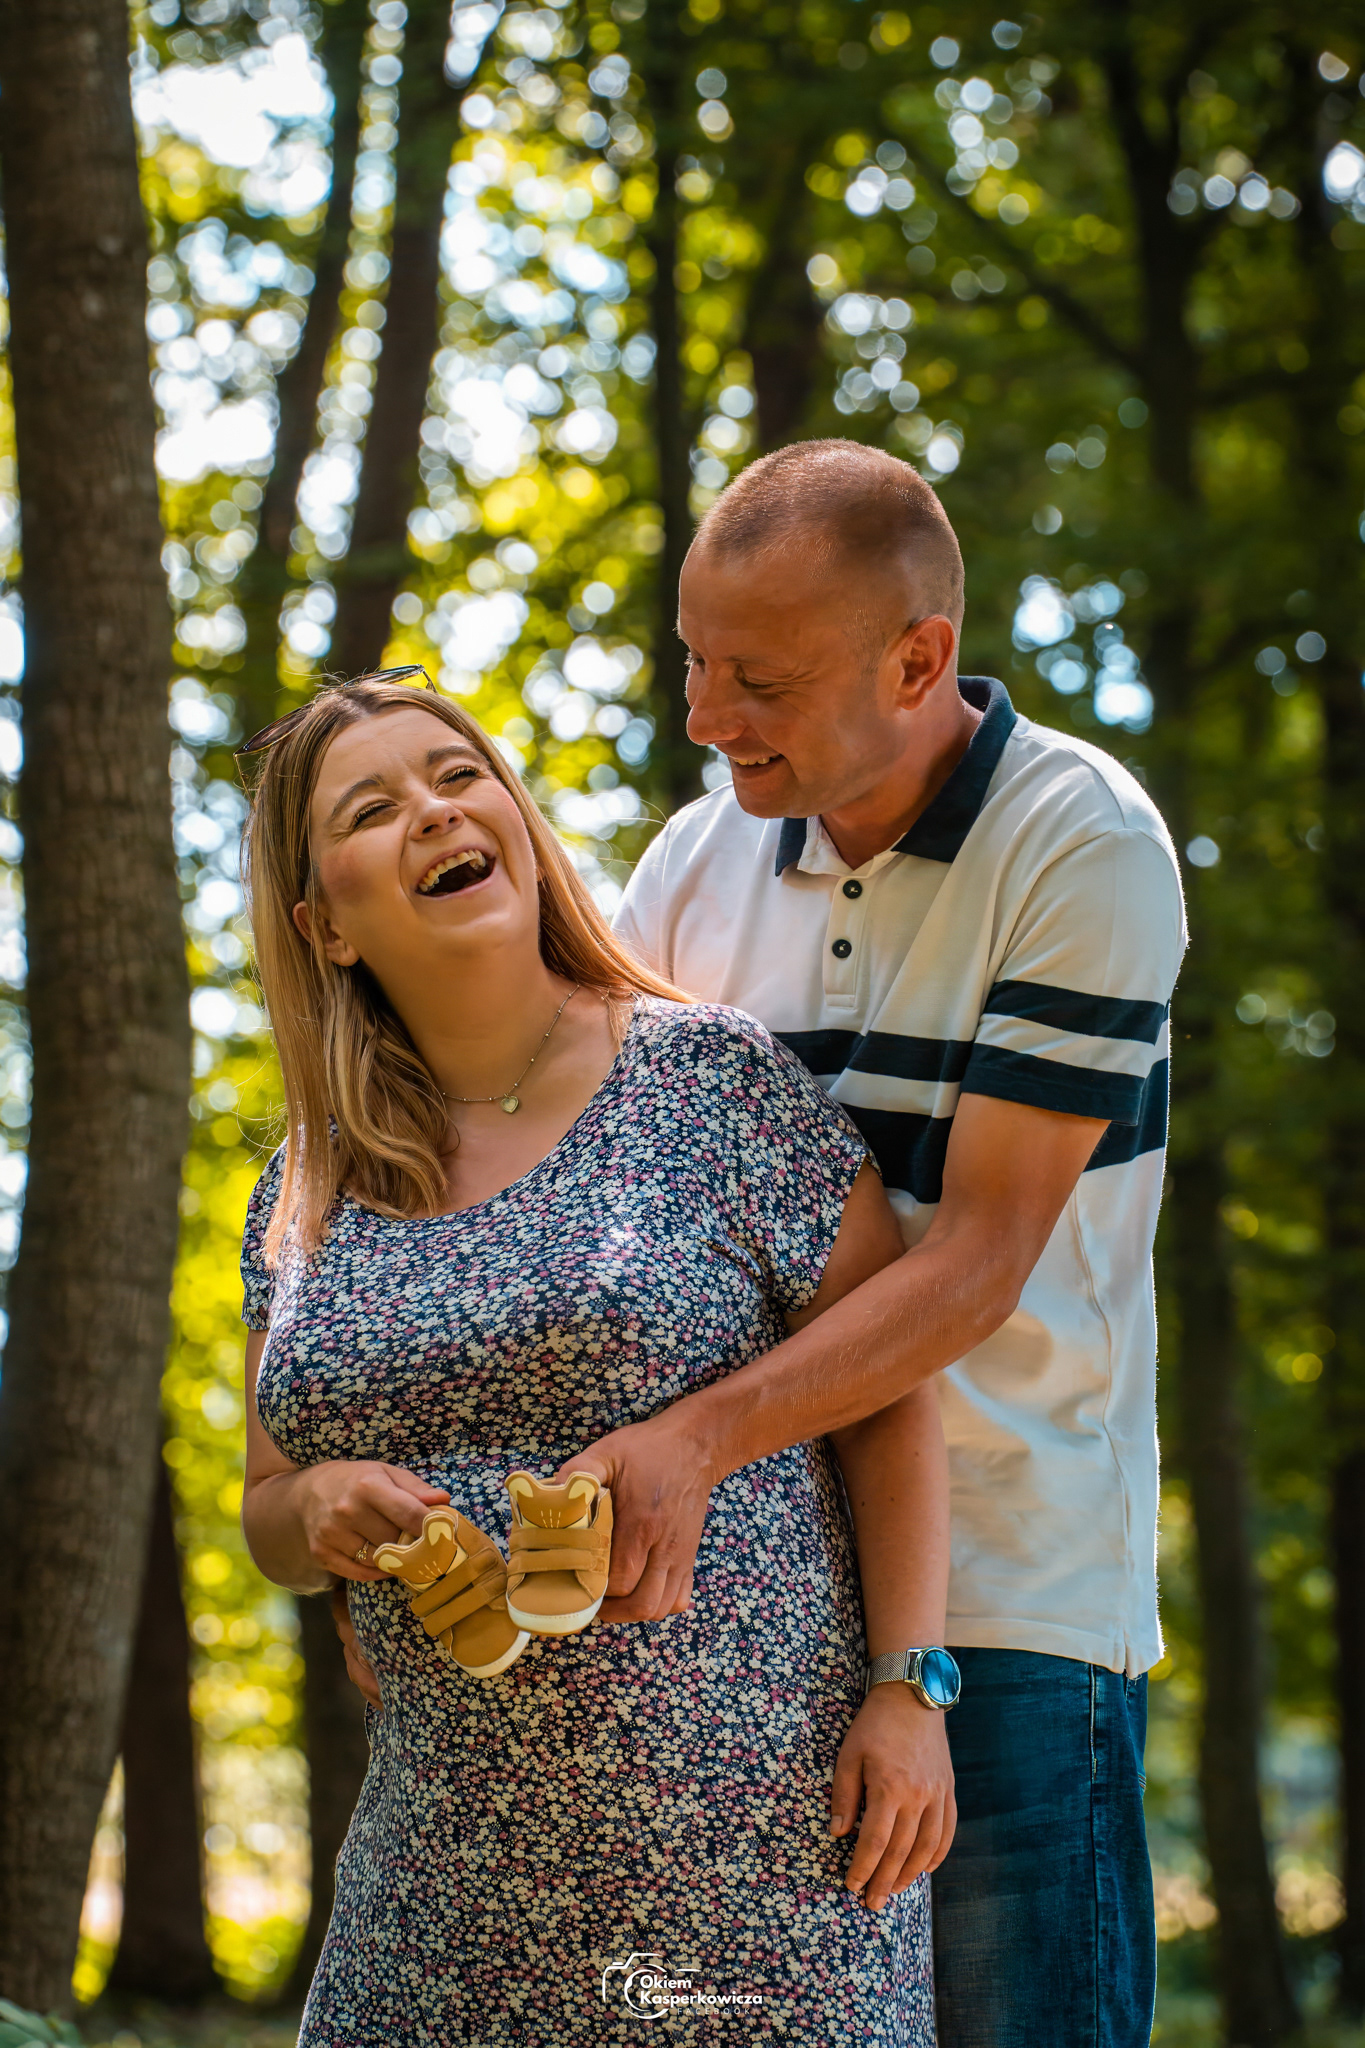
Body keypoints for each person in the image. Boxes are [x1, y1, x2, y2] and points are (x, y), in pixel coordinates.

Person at [235, 673, 956, 2046]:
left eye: (459, 776)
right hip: (437, 1886)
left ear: (516, 821)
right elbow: (266, 1508)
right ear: (323, 924)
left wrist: (909, 1689)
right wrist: (315, 1507)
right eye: (370, 810)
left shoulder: (710, 1083)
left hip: (757, 1858)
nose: (434, 812)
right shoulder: (302, 1187)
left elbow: (887, 1388)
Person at [594, 441, 1185, 2047]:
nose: (706, 715)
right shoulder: (692, 863)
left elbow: (976, 1264)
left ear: (917, 660)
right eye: (694, 660)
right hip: (753, 1603)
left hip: (1008, 1598)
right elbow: (613, 1202)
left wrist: (690, 1442)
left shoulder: (1080, 845)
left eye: (760, 680)